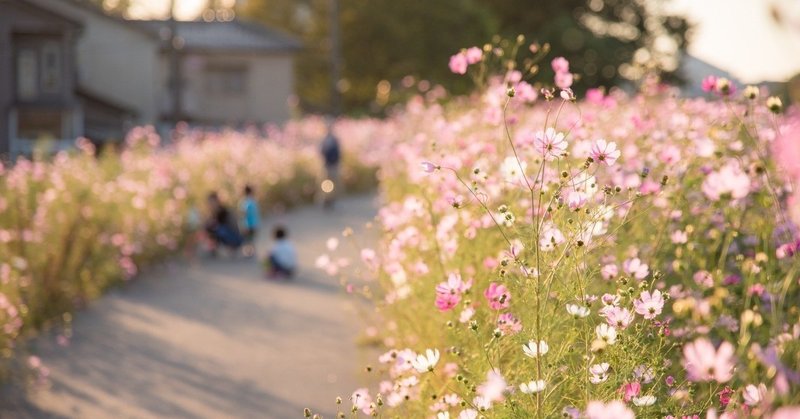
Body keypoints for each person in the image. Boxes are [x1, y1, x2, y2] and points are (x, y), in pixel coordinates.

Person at [320, 118, 341, 209]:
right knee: (326, 183)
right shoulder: (324, 139)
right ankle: (327, 199)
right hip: (327, 164)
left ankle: (331, 198)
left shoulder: (334, 139)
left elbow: (339, 152)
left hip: (333, 164)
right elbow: (321, 151)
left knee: (333, 182)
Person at [240, 185, 260, 257]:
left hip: (248, 224)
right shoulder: (253, 201)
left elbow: (243, 214)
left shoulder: (245, 202)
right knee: (251, 239)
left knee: (248, 240)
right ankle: (252, 252)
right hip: (254, 223)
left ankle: (249, 253)